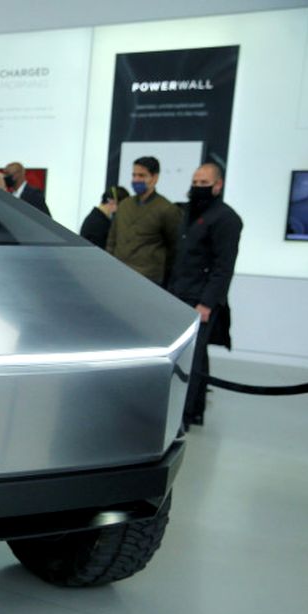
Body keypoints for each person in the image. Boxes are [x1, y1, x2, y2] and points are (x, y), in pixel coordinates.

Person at [167, 163, 242, 429]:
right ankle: (196, 410)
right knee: (196, 355)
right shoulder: (190, 213)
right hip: (180, 292)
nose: (198, 187)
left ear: (218, 185)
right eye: (195, 182)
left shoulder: (227, 219)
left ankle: (183, 416)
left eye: (204, 183)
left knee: (192, 357)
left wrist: (207, 303)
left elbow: (223, 267)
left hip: (200, 299)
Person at [106, 156, 182, 285]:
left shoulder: (167, 209)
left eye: (141, 175)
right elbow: (112, 239)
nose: (136, 180)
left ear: (155, 178)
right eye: (134, 175)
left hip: (147, 280)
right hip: (118, 275)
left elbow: (174, 247)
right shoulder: (124, 205)